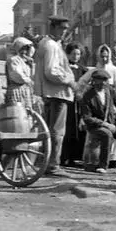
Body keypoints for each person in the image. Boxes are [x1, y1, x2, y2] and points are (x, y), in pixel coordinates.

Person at [34, 15, 77, 176]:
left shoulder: (48, 43)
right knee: (57, 131)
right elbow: (51, 71)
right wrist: (69, 81)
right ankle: (53, 164)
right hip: (57, 92)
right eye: (61, 28)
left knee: (51, 129)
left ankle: (48, 162)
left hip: (51, 92)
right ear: (53, 27)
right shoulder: (51, 45)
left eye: (66, 29)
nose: (64, 32)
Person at [79, 69, 116, 171]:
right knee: (107, 134)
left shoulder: (110, 91)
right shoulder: (87, 96)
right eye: (101, 80)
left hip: (112, 123)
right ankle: (102, 166)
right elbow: (87, 118)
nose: (104, 83)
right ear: (94, 80)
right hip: (95, 126)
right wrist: (105, 124)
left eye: (106, 80)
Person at [60, 42, 88, 167]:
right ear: (68, 54)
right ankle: (64, 156)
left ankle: (75, 157)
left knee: (78, 129)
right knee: (67, 128)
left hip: (79, 101)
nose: (76, 56)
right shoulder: (64, 68)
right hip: (67, 100)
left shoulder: (83, 70)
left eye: (78, 54)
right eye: (73, 54)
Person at [4, 38, 34, 110]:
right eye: (22, 48)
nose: (24, 51)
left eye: (26, 49)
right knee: (17, 113)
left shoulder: (25, 61)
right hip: (16, 90)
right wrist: (29, 80)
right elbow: (18, 76)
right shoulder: (13, 60)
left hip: (25, 90)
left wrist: (30, 65)